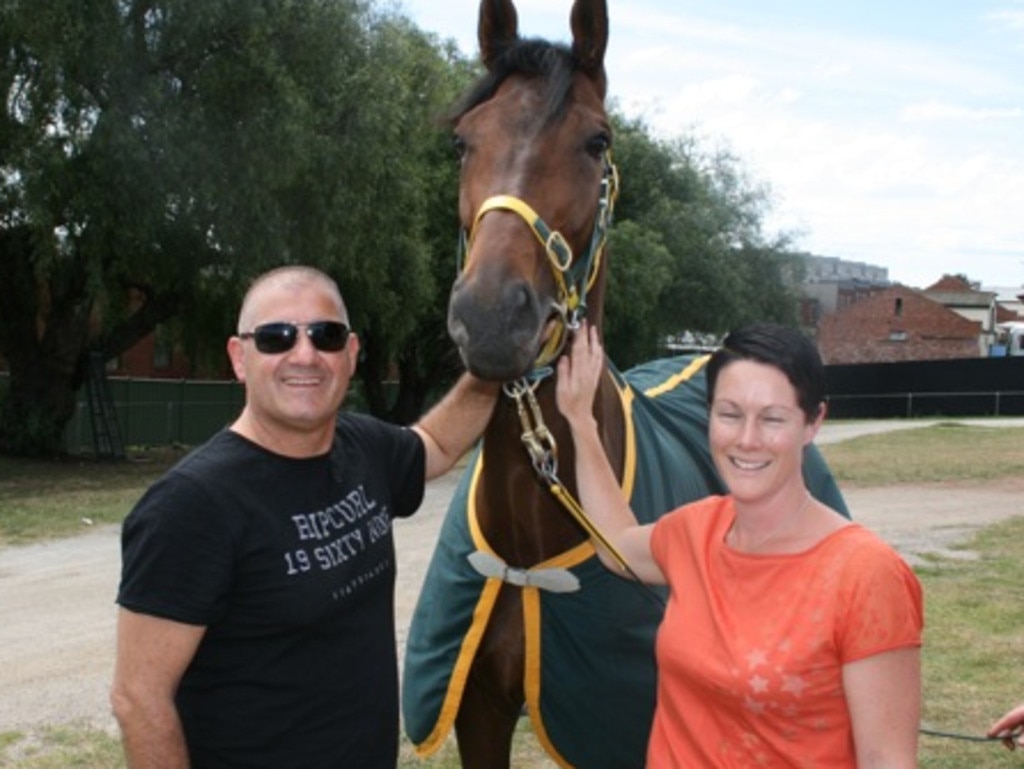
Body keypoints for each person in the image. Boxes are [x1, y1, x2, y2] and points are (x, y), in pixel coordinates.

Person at [110, 265, 499, 768]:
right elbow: (138, 697)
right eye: (275, 338)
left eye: (326, 335)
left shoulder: (361, 445)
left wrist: (494, 363)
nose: (305, 354)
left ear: (351, 354)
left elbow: (438, 444)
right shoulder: (191, 505)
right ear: (239, 358)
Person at [555, 320, 923, 768]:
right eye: (729, 414)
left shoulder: (865, 574)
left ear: (813, 423)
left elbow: (887, 759)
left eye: (772, 419)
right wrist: (580, 420)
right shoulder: (695, 531)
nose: (747, 440)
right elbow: (616, 543)